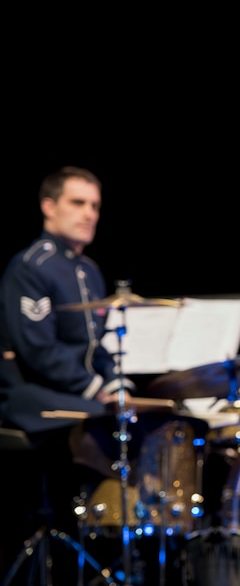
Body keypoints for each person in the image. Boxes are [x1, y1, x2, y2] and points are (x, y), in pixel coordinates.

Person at [0, 166, 136, 582]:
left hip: (74, 392)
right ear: (48, 206)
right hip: (29, 393)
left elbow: (97, 346)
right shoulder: (31, 266)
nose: (89, 213)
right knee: (101, 420)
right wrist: (97, 389)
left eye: (94, 205)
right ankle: (81, 542)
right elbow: (38, 350)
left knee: (137, 414)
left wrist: (116, 381)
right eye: (78, 203)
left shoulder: (89, 271)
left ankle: (117, 546)